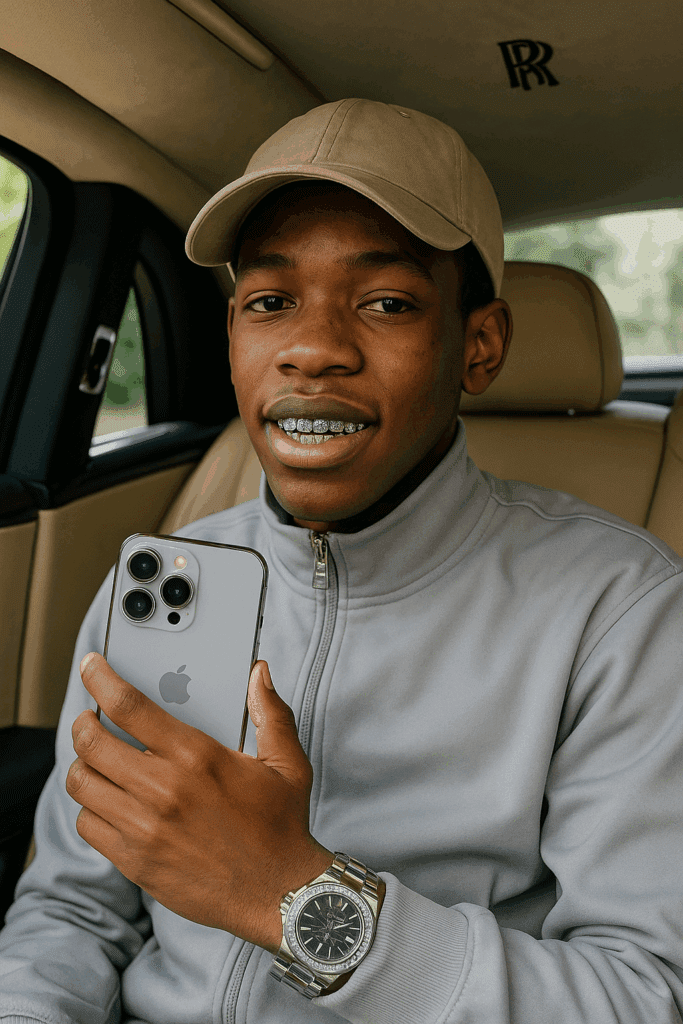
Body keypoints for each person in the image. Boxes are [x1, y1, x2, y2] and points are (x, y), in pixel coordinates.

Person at [1, 97, 682, 1024]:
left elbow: (640, 997)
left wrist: (295, 896)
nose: (312, 349)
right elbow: (73, 908)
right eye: (270, 302)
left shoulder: (619, 608)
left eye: (387, 303)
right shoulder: (173, 581)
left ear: (477, 348)